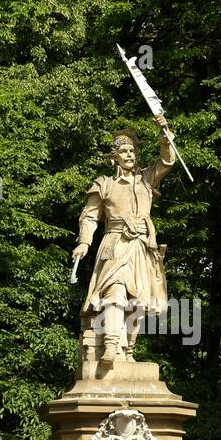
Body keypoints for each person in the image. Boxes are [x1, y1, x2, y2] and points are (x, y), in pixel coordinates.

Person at [71, 114, 176, 362]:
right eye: (124, 151)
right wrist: (84, 242)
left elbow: (167, 161)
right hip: (115, 242)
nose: (130, 155)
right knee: (114, 292)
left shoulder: (146, 179)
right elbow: (89, 216)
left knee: (138, 301)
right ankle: (109, 346)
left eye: (132, 151)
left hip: (142, 245)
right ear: (114, 156)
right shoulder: (104, 184)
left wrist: (164, 133)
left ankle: (128, 351)